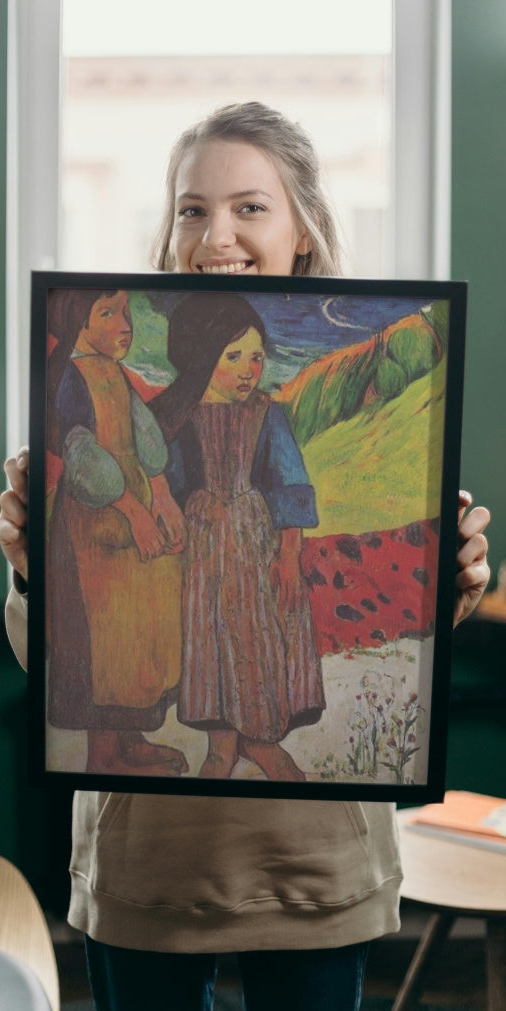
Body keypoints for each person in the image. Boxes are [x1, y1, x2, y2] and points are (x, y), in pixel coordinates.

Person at [0, 101, 491, 1011]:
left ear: (303, 227)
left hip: (314, 866)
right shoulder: (132, 405)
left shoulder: (281, 408)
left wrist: (447, 589)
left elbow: (299, 502)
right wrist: (37, 569)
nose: (214, 233)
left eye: (249, 207)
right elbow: (53, 656)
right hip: (147, 864)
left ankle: (252, 744)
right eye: (191, 208)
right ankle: (225, 741)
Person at [151, 293, 324, 782]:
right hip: (203, 551)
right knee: (212, 642)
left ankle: (263, 742)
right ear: (201, 356)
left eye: (256, 356)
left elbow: (291, 487)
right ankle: (222, 746)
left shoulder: (268, 416)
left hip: (256, 546)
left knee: (258, 637)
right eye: (234, 357)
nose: (250, 370)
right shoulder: (177, 421)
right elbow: (166, 481)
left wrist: (289, 555)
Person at [45, 287, 187, 777]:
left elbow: (146, 434)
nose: (124, 323)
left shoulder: (115, 373)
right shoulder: (72, 378)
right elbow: (84, 461)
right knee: (105, 642)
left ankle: (131, 738)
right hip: (97, 524)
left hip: (135, 516)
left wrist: (163, 496)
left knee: (137, 632)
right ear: (78, 324)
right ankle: (104, 756)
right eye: (108, 313)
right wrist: (134, 509)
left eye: (126, 311)